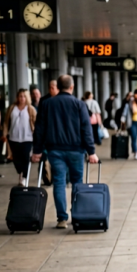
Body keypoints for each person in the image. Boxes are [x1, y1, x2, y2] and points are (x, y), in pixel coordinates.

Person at [30, 75, 98, 229]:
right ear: (72, 87)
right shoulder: (79, 105)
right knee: (77, 182)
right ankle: (76, 215)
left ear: (58, 87)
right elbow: (86, 129)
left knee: (59, 183)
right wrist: (91, 151)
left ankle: (62, 218)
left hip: (55, 150)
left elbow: (39, 129)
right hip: (76, 150)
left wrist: (37, 151)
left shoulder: (46, 104)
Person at [3, 89, 37, 186]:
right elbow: (6, 122)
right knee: (16, 159)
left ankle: (24, 177)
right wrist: (4, 134)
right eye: (20, 96)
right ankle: (20, 172)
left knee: (25, 158)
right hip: (14, 138)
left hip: (27, 138)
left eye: (24, 96)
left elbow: (36, 122)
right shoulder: (12, 108)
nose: (22, 98)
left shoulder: (31, 109)